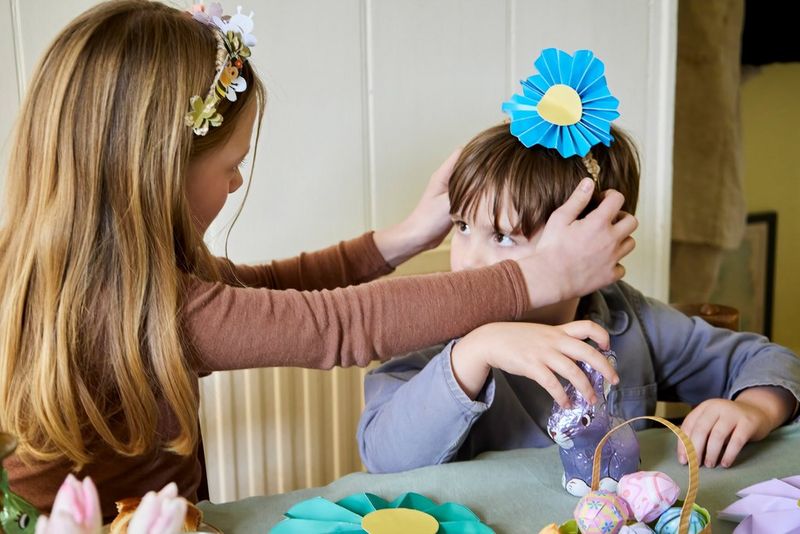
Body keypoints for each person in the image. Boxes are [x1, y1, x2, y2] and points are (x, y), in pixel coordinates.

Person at [0, 2, 636, 516]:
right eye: (230, 167)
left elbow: (276, 290)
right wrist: (536, 277)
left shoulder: (83, 271)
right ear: (156, 171)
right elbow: (338, 326)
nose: (237, 184)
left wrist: (404, 237)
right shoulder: (154, 308)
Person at [357, 121, 800, 479]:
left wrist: (755, 407)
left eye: (503, 237)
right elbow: (382, 454)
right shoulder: (433, 322)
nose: (468, 260)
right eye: (463, 227)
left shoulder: (629, 317)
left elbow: (765, 359)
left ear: (595, 243)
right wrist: (475, 351)